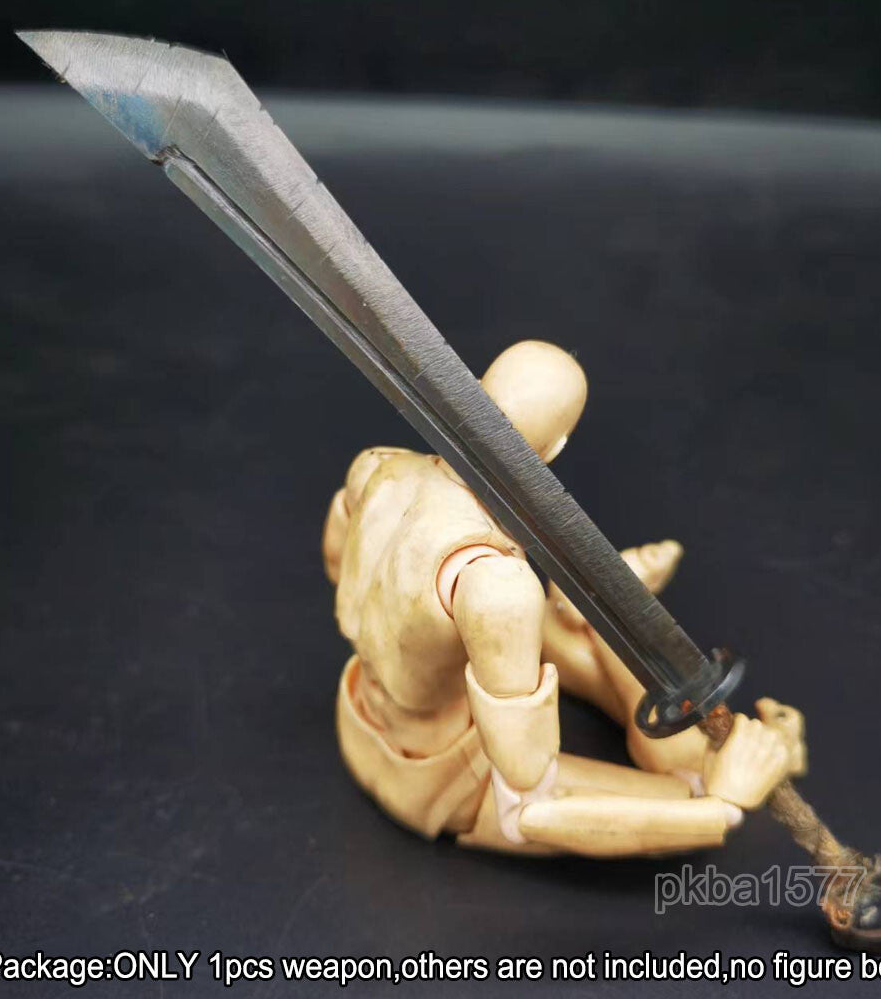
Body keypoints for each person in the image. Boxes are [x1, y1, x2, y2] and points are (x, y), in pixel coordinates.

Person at [323, 340, 806, 855]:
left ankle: (588, 625)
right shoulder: (497, 586)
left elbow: (344, 569)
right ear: (553, 450)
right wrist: (723, 806)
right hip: (440, 781)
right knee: (693, 782)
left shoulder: (376, 467)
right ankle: (721, 767)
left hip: (365, 707)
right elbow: (528, 812)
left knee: (563, 628)